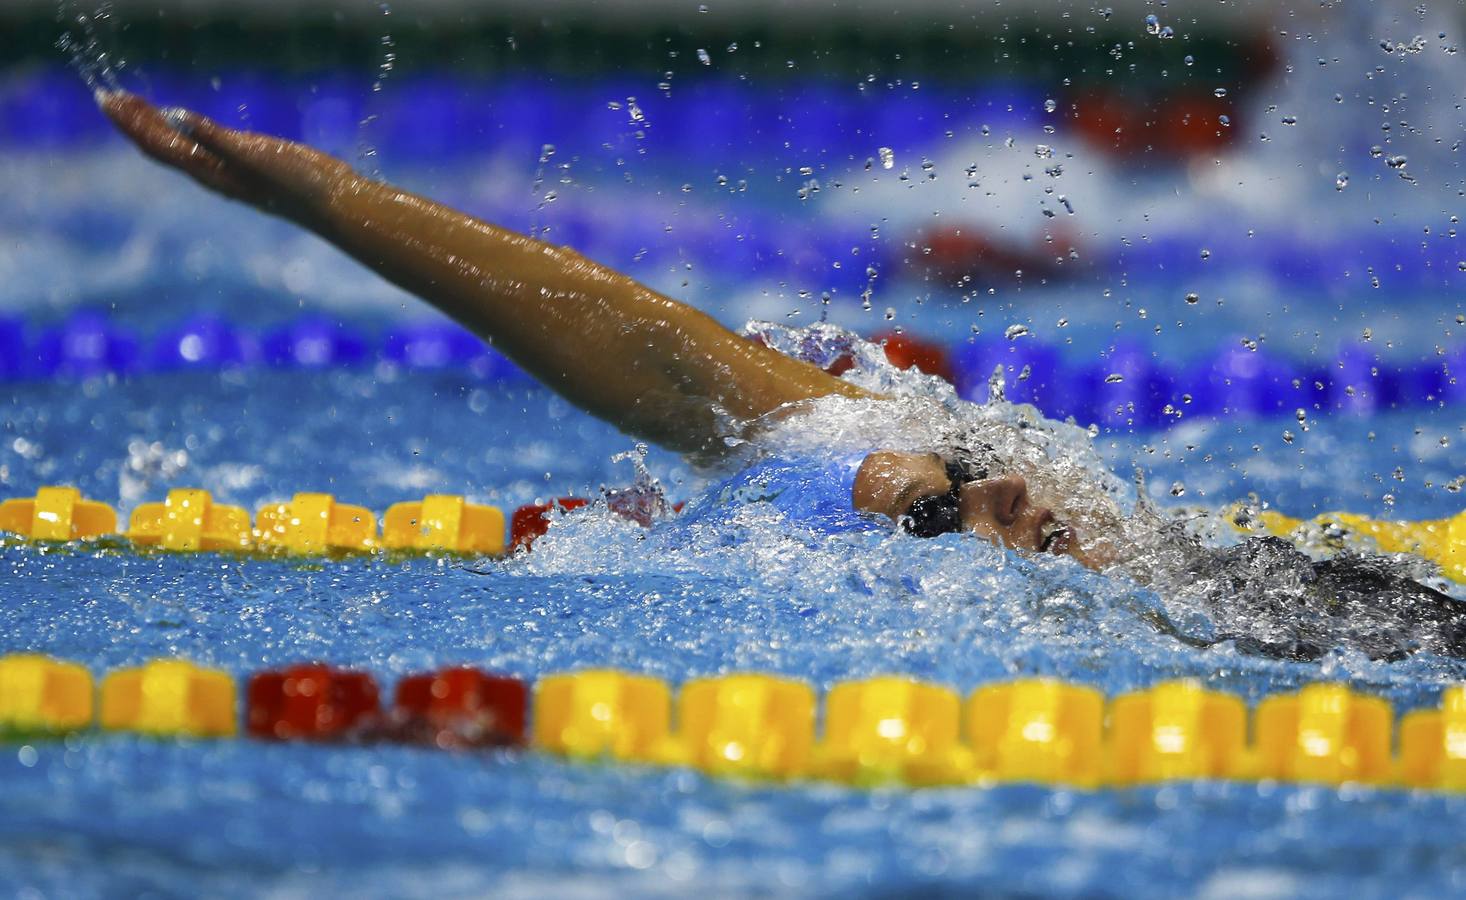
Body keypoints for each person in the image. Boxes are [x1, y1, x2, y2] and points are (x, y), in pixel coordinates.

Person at [100, 90, 1465, 662]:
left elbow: (643, 341)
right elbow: (623, 344)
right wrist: (326, 206)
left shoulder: (1236, 601)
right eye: (951, 505)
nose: (979, 504)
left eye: (957, 494)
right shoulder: (878, 504)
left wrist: (332, 201)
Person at [98, 91, 1087, 565]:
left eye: (933, 514)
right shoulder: (976, 469)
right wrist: (335, 202)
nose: (998, 483)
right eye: (954, 486)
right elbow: (660, 357)